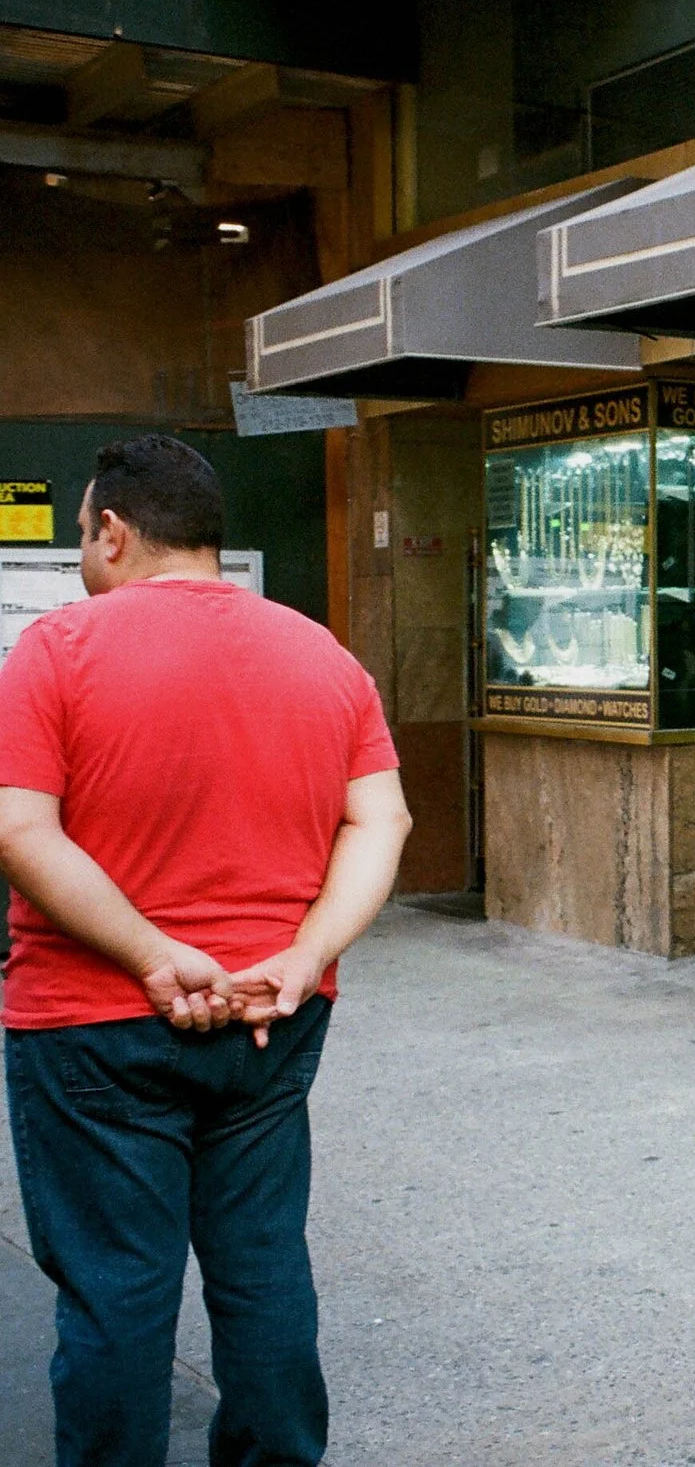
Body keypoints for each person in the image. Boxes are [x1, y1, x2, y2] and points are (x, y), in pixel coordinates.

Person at [0, 436, 409, 1467]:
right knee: (263, 1266)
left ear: (114, 530)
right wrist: (300, 954)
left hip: (92, 1025)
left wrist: (151, 953)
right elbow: (383, 821)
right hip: (271, 1017)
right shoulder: (323, 653)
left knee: (116, 1287)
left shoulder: (55, 650)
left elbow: (18, 826)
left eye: (82, 533)